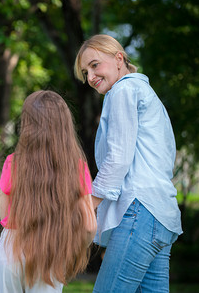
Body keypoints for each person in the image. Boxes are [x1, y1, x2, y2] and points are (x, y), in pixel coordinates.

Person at [73, 34, 183, 292]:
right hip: (162, 214)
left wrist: (90, 202)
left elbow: (118, 157)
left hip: (141, 211)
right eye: (85, 72)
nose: (90, 76)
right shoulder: (145, 93)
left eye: (95, 65)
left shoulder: (122, 90)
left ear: (119, 58)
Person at [0, 90, 97, 293]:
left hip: (9, 250)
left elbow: (5, 219)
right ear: (64, 126)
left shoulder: (12, 162)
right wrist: (74, 250)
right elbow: (89, 226)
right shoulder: (76, 167)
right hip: (50, 249)